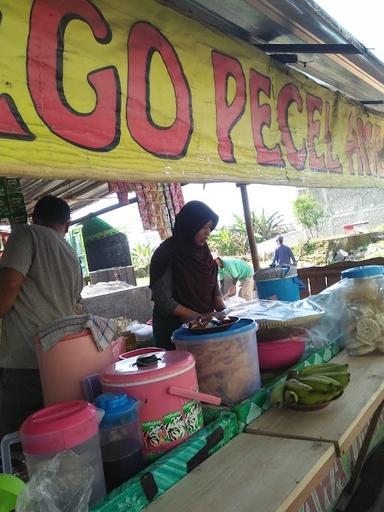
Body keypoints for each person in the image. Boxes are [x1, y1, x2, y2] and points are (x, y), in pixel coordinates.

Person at [0, 195, 82, 436]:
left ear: (34, 217)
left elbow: (9, 284)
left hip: (25, 358)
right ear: (67, 225)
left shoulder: (26, 234)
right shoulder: (70, 254)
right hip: (59, 360)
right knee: (52, 436)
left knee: (20, 437)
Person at [149, 201, 225, 350]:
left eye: (210, 227)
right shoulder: (166, 254)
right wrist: (199, 317)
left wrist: (223, 310)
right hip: (175, 331)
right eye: (203, 227)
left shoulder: (203, 251)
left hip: (201, 327)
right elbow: (164, 301)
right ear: (190, 225)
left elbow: (211, 281)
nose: (208, 232)